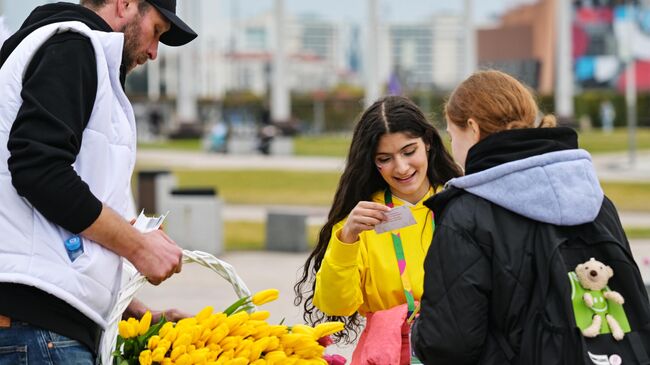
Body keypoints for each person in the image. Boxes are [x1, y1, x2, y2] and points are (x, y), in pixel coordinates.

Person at [0, 0, 197, 364]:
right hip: (38, 333)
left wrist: (141, 318)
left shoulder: (63, 49)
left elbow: (57, 239)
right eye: (156, 32)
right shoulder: (73, 46)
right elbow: (37, 168)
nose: (154, 52)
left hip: (39, 328)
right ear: (125, 4)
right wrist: (138, 246)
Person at [411, 70, 646, 363]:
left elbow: (448, 343)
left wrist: (417, 330)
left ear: (472, 128)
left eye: (451, 134)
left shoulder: (467, 213)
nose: (452, 147)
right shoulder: (595, 198)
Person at [294, 96, 462, 362]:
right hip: (386, 356)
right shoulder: (361, 221)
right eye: (385, 158)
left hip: (459, 349)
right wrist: (346, 239)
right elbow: (335, 305)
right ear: (372, 161)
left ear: (427, 142)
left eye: (409, 151)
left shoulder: (462, 203)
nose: (402, 167)